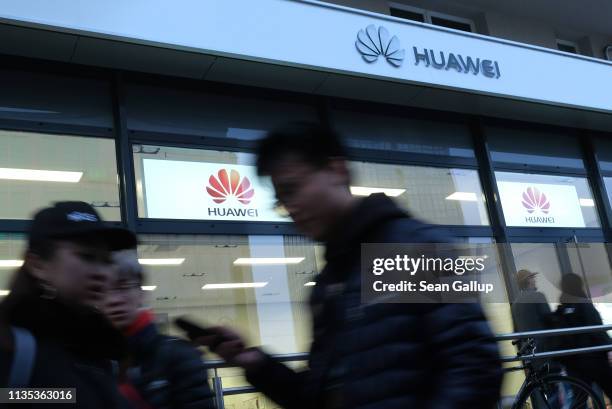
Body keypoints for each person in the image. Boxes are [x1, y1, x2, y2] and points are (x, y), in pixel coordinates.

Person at [195, 122, 503, 409]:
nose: (291, 208)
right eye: (281, 201)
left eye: (293, 189)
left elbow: (475, 369)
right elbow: (319, 397)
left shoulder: (410, 248)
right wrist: (255, 364)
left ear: (336, 170)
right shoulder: (329, 282)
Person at [0, 201, 137, 408]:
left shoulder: (105, 351)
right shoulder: (14, 347)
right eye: (86, 256)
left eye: (106, 260)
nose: (101, 272)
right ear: (38, 265)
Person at [102, 249, 215, 409]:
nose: (113, 300)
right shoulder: (92, 361)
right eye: (103, 290)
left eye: (122, 287)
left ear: (141, 294)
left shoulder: (179, 356)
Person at [553, 273, 612, 401]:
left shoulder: (562, 309)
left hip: (574, 362)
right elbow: (597, 329)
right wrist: (608, 346)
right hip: (594, 358)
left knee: (580, 399)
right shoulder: (584, 303)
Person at [511, 269, 553, 362]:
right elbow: (549, 320)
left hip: (527, 352)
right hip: (544, 350)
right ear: (528, 280)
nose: (535, 280)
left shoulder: (515, 304)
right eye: (533, 277)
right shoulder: (538, 296)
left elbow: (516, 331)